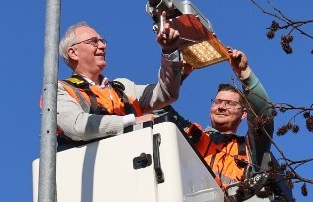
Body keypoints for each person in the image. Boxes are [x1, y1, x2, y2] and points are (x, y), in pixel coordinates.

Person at [52, 20, 185, 146]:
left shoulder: (123, 88)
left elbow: (166, 93)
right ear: (73, 53)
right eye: (93, 42)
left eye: (101, 41)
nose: (102, 46)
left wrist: (170, 51)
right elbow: (79, 126)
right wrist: (131, 121)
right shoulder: (59, 91)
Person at [171, 48, 273, 187]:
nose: (221, 107)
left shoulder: (249, 149)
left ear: (243, 113)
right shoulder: (193, 136)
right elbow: (158, 107)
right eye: (218, 102)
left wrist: (243, 72)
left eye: (230, 103)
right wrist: (181, 74)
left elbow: (263, 116)